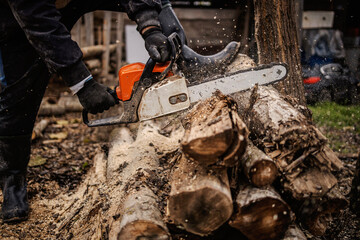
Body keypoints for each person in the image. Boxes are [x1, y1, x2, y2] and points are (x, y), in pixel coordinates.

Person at [0, 0, 239, 223]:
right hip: (23, 15)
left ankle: (185, 58)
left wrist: (151, 26)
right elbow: (38, 21)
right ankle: (13, 176)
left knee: (155, 1)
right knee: (19, 92)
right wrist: (82, 83)